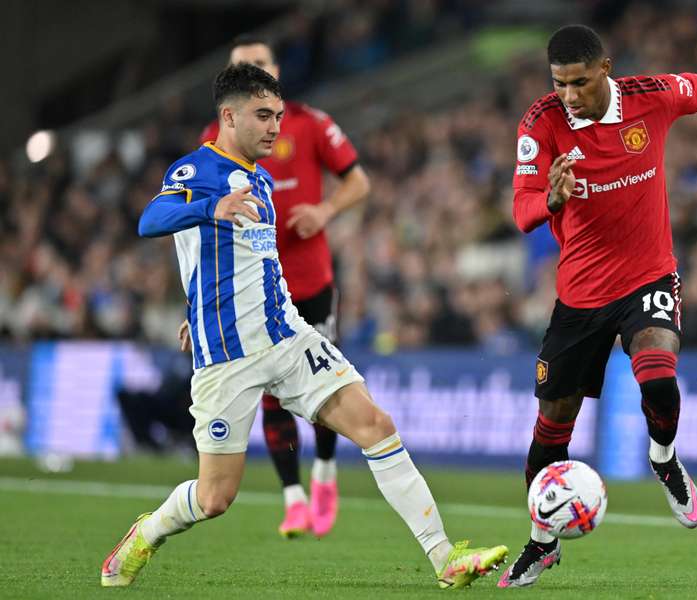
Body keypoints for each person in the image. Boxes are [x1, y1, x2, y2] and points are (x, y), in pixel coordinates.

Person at [101, 63, 508, 589]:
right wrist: (211, 206)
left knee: (377, 426)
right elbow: (149, 220)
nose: (274, 127)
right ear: (228, 116)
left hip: (289, 337)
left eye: (278, 116)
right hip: (228, 357)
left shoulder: (261, 179)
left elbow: (248, 263)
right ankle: (146, 533)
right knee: (214, 498)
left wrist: (197, 303)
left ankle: (444, 558)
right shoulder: (197, 170)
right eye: (262, 116)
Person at [498, 25, 697, 588]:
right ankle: (542, 543)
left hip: (648, 276)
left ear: (605, 67)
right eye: (560, 84)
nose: (570, 96)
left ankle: (663, 458)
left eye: (579, 83)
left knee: (657, 378)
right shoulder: (540, 123)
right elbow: (522, 209)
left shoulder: (650, 97)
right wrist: (551, 198)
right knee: (550, 432)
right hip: (580, 295)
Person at [194, 35, 371, 539]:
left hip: (311, 281)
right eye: (241, 68)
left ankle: (325, 474)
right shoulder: (213, 139)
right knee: (271, 395)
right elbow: (196, 230)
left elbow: (359, 180)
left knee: (325, 385)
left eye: (260, 65)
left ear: (276, 71)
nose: (252, 73)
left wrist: (326, 210)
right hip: (252, 293)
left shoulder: (310, 123)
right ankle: (293, 498)